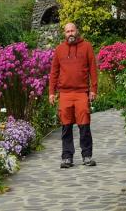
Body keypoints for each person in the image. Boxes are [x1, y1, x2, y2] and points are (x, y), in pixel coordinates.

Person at [48, 22, 98, 168]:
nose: (70, 33)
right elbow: (54, 73)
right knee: (66, 125)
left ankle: (87, 156)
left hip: (81, 92)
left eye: (72, 30)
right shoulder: (59, 50)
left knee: (84, 124)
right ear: (64, 34)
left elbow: (93, 70)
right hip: (64, 93)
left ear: (77, 31)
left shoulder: (87, 47)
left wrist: (93, 89)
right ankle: (67, 157)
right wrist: (51, 92)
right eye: (67, 31)